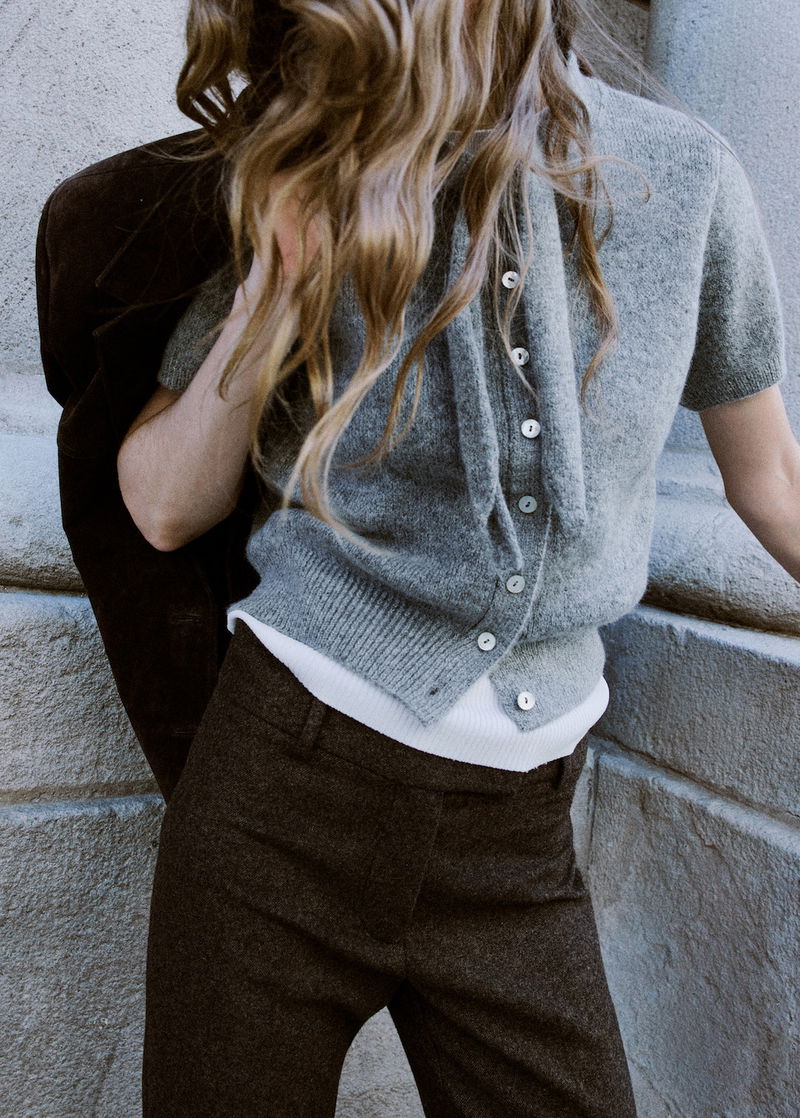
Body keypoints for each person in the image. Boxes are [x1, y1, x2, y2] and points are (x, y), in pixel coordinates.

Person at [37, 1, 799, 1115]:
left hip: (517, 842)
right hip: (280, 800)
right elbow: (159, 505)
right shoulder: (319, 163)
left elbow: (771, 480)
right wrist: (274, 289)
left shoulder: (686, 178)